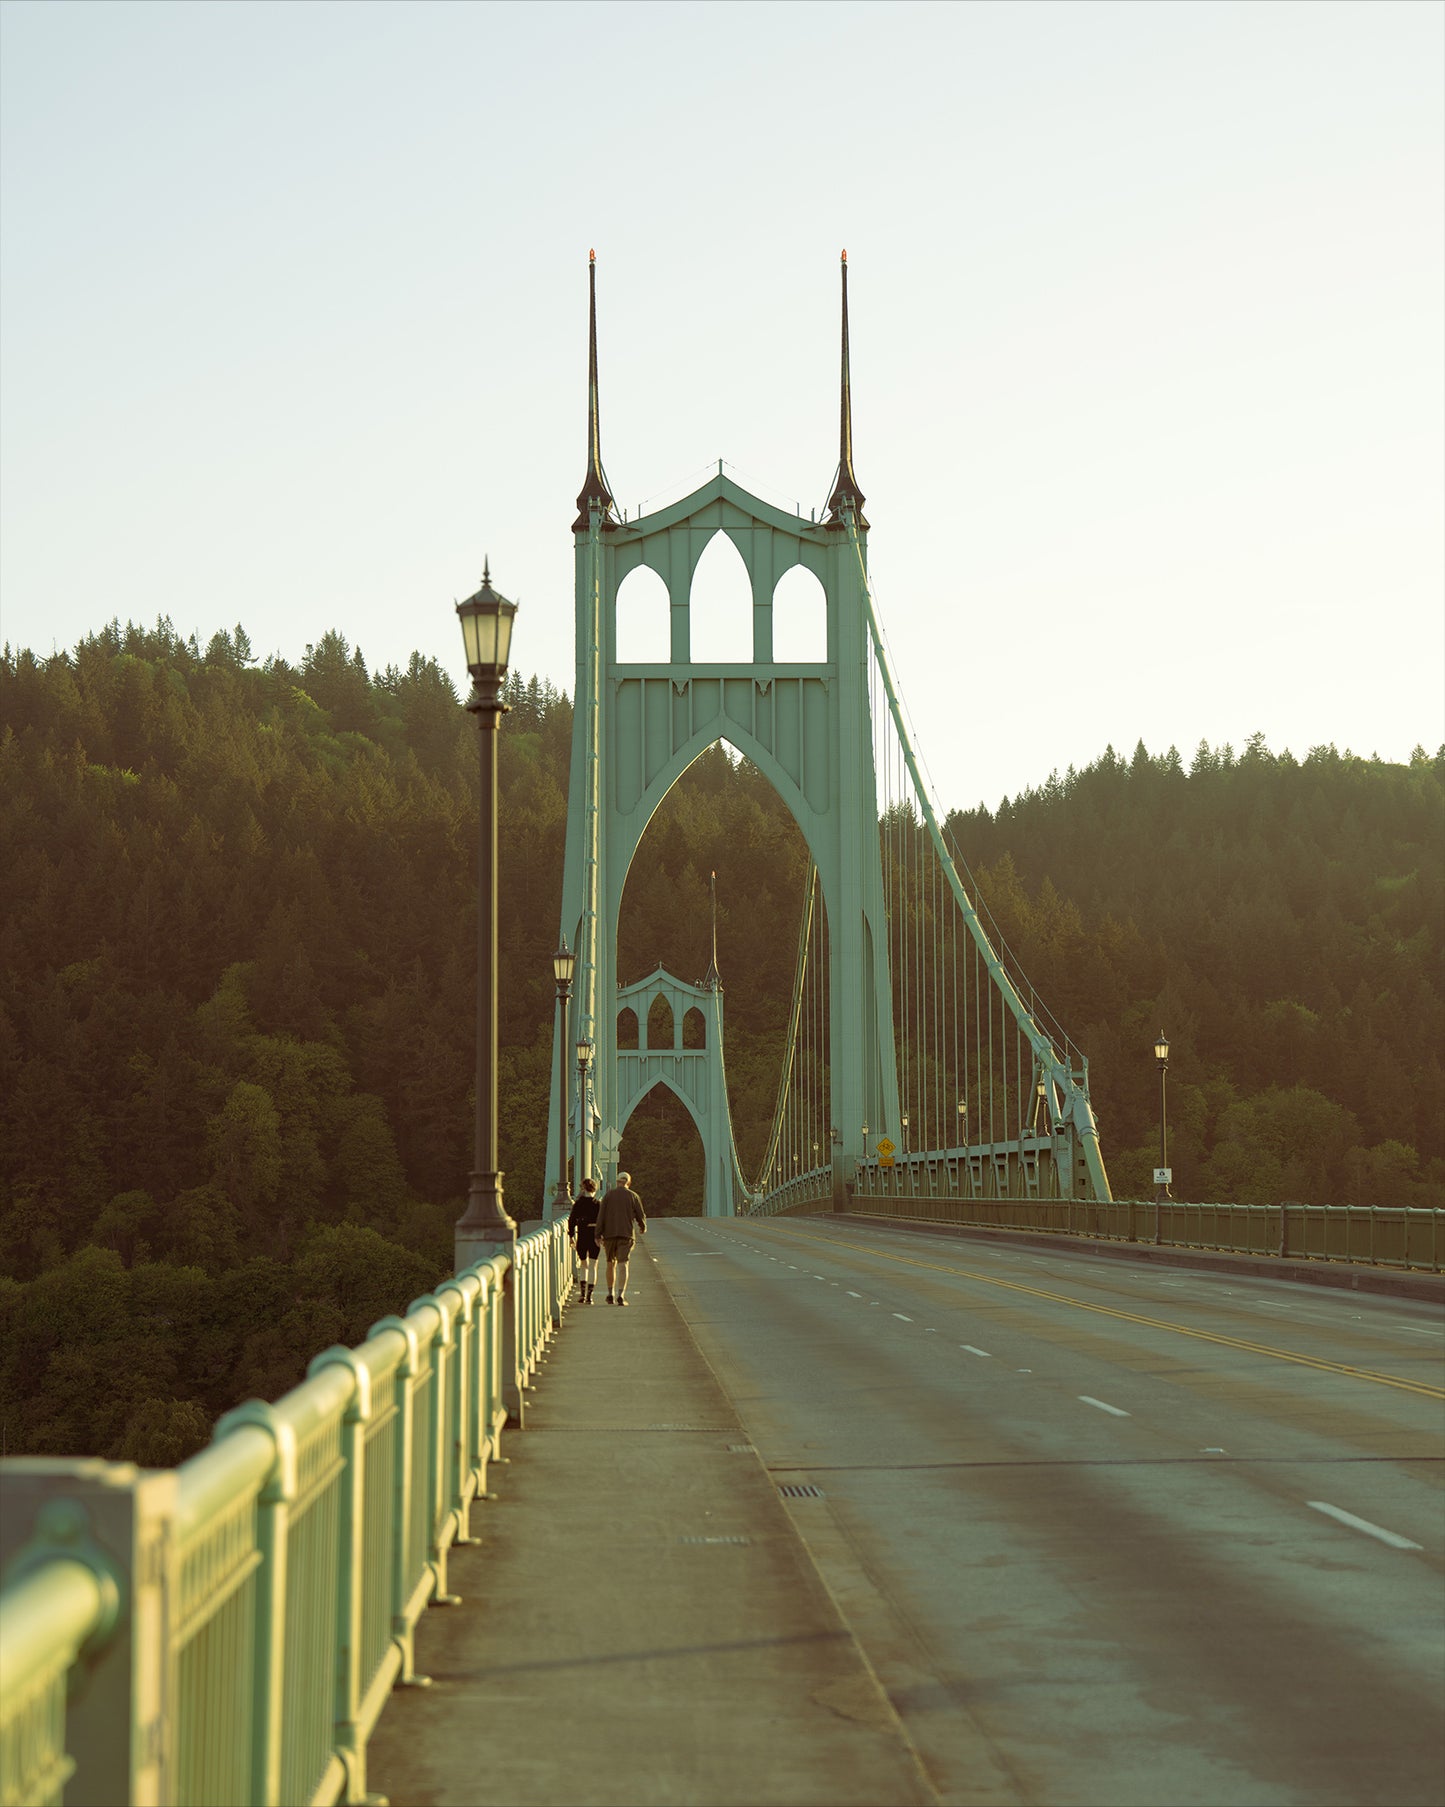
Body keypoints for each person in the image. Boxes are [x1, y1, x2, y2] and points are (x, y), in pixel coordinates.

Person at [596, 1171, 646, 1305]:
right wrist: (642, 1226)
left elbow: (601, 1216)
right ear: (628, 1183)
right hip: (626, 1234)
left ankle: (610, 1293)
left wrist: (597, 1234)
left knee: (610, 1263)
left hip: (609, 1235)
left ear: (617, 1182)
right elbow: (640, 1215)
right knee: (623, 1264)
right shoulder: (633, 1196)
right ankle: (621, 1295)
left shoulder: (608, 1196)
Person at [567, 1177, 602, 1303]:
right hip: (595, 1236)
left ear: (583, 1188)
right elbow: (603, 1222)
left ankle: (582, 1294)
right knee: (593, 1265)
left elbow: (571, 1220)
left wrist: (571, 1236)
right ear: (594, 1189)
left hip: (582, 1235)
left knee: (583, 1264)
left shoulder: (578, 1203)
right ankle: (589, 1296)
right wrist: (601, 1236)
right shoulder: (598, 1204)